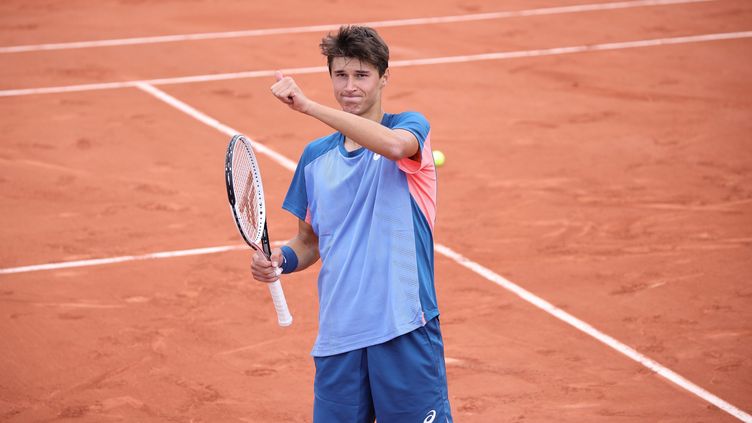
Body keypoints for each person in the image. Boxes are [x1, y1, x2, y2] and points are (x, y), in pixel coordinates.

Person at [251, 25, 452, 423]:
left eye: (362, 75)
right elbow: (310, 242)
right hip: (339, 337)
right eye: (340, 75)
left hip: (404, 328)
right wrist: (280, 260)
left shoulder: (410, 127)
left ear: (383, 77)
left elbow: (394, 146)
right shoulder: (314, 158)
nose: (350, 87)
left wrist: (308, 107)